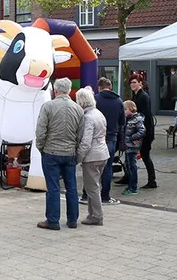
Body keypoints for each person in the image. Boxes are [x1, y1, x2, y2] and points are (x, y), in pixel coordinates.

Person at [34, 77, 84, 230]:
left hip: (51, 151)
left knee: (53, 187)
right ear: (69, 90)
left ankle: (53, 220)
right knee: (72, 187)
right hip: (69, 153)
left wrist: (40, 147)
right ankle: (72, 220)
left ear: (55, 90)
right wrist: (75, 150)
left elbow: (41, 130)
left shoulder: (48, 106)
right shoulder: (78, 109)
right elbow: (80, 134)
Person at [75, 86, 109, 226]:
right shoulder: (98, 113)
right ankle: (92, 214)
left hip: (92, 156)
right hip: (103, 153)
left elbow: (86, 142)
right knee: (94, 186)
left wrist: (78, 157)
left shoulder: (88, 117)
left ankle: (97, 216)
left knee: (92, 187)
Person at [89, 77, 123, 205]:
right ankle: (105, 196)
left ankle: (88, 195)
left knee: (92, 168)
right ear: (110, 87)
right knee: (108, 167)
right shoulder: (119, 101)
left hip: (96, 138)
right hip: (111, 138)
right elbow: (122, 122)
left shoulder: (95, 100)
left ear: (99, 87)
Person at [129, 75, 157, 189]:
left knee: (145, 155)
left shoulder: (143, 96)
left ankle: (152, 180)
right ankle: (128, 176)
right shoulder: (136, 96)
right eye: (131, 82)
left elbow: (143, 115)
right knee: (131, 154)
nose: (132, 84)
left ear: (140, 83)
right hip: (140, 130)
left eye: (134, 82)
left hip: (145, 131)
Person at [121, 100, 146, 196]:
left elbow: (142, 131)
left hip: (132, 146)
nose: (124, 111)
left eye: (125, 109)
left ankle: (133, 187)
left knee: (132, 167)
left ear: (131, 109)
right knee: (128, 166)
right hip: (128, 146)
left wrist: (132, 138)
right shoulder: (127, 119)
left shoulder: (137, 119)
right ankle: (130, 185)